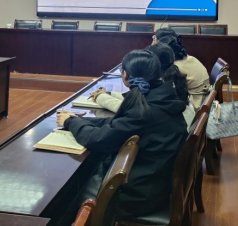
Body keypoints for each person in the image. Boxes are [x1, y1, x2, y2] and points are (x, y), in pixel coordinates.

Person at [56, 49, 187, 222]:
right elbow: (117, 124)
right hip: (154, 182)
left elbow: (98, 139)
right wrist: (78, 120)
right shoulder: (161, 97)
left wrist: (69, 122)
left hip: (138, 196)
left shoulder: (145, 111)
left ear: (125, 75)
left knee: (66, 197)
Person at [91, 43, 195, 124]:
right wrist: (109, 94)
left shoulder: (162, 84)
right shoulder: (171, 79)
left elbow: (131, 109)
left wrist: (100, 97)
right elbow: (137, 100)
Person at [154, 28, 211, 111]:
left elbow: (168, 92)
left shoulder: (174, 67)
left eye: (154, 38)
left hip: (194, 108)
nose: (152, 42)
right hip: (205, 102)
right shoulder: (191, 58)